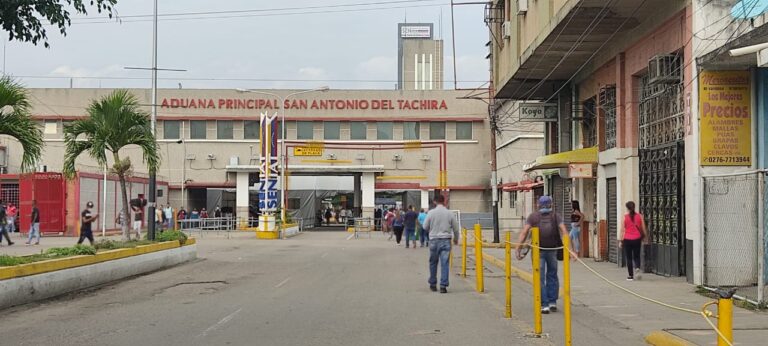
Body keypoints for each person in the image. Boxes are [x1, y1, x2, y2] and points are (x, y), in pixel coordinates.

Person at [515, 195, 570, 314]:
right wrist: (569, 248)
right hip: (553, 250)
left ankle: (544, 304)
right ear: (551, 204)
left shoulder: (533, 217)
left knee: (539, 277)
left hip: (538, 251)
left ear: (538, 205)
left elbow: (524, 232)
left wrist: (518, 248)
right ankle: (552, 302)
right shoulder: (555, 216)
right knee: (552, 275)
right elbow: (564, 231)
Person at [422, 194, 460, 293]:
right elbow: (456, 228)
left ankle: (433, 284)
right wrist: (456, 239)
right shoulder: (449, 213)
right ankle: (443, 286)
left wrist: (431, 230)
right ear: (444, 201)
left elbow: (425, 226)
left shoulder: (431, 213)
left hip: (434, 240)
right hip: (446, 240)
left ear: (434, 202)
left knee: (433, 262)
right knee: (445, 263)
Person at [619, 201, 647, 281]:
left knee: (629, 258)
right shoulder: (640, 216)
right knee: (637, 256)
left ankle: (630, 276)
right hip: (637, 239)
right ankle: (637, 268)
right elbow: (643, 228)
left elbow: (622, 230)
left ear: (627, 208)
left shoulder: (625, 217)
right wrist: (645, 237)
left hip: (627, 239)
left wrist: (621, 241)